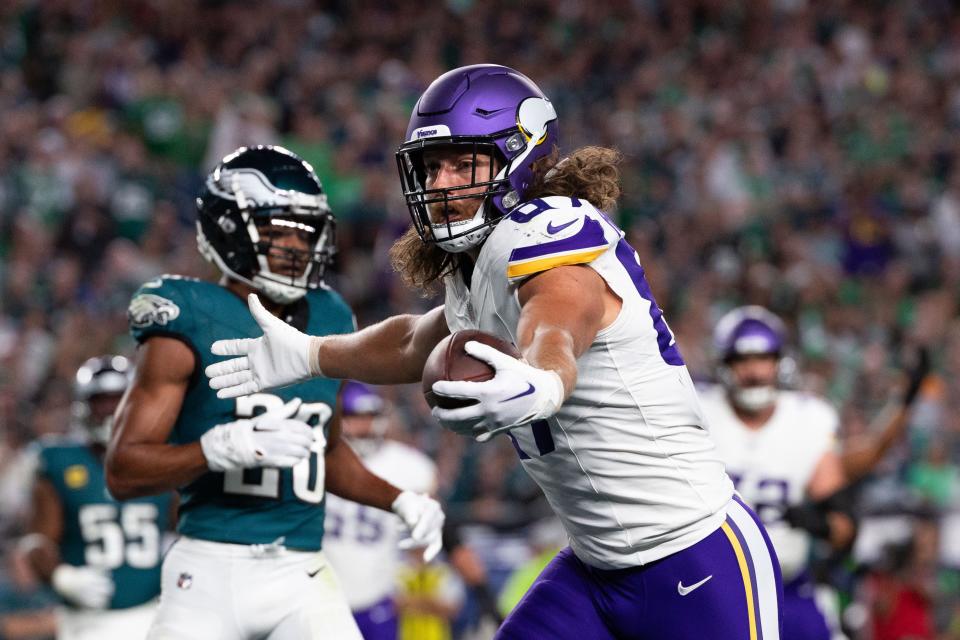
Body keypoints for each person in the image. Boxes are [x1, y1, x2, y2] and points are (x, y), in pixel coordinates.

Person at [206, 64, 783, 639]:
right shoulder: (476, 266)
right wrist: (311, 355)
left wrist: (545, 378)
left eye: (463, 163)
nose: (440, 184)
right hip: (594, 567)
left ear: (520, 157)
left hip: (695, 553)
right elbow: (412, 340)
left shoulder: (548, 227)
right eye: (432, 167)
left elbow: (561, 312)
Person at [104, 145, 444, 640]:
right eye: (276, 229)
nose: (295, 246)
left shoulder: (330, 314)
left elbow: (323, 450)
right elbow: (123, 470)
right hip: (206, 568)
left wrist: (400, 500)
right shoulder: (188, 315)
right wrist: (218, 448)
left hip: (301, 573)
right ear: (228, 230)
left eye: (304, 232)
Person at [698, 307, 853, 640]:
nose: (754, 372)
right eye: (743, 360)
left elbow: (845, 525)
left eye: (763, 358)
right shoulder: (699, 412)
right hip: (710, 590)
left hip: (787, 588)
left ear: (781, 362)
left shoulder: (809, 418)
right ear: (725, 364)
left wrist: (818, 522)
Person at [18, 355, 174, 639]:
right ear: (83, 406)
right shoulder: (57, 459)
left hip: (156, 610)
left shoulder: (162, 456)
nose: (109, 409)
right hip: (86, 619)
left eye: (117, 398)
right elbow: (35, 542)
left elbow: (189, 530)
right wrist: (62, 577)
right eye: (100, 400)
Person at [323, 381, 438, 640]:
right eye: (353, 417)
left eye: (368, 417)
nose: (362, 427)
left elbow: (424, 536)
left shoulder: (409, 466)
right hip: (324, 592)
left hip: (378, 593)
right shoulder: (319, 459)